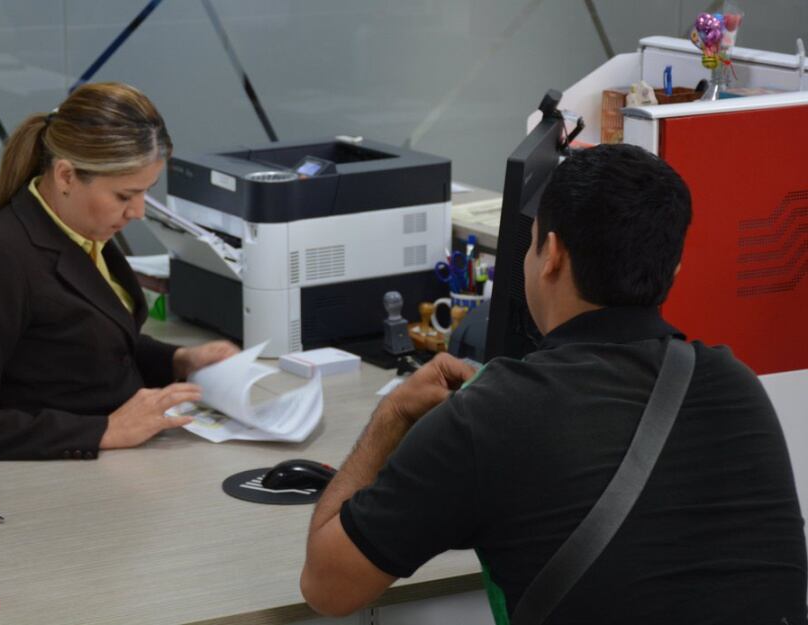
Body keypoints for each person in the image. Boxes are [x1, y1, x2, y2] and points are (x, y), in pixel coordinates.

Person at [301, 144, 807, 623]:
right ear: (674, 269)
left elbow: (328, 586)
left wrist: (392, 416)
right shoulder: (735, 384)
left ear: (552, 255)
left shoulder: (492, 416)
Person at [0, 82, 238, 466]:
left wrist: (179, 359)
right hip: (53, 472)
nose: (138, 212)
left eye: (145, 192)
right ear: (66, 176)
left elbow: (86, 345)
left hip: (121, 460)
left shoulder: (82, 231)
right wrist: (103, 431)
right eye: (124, 195)